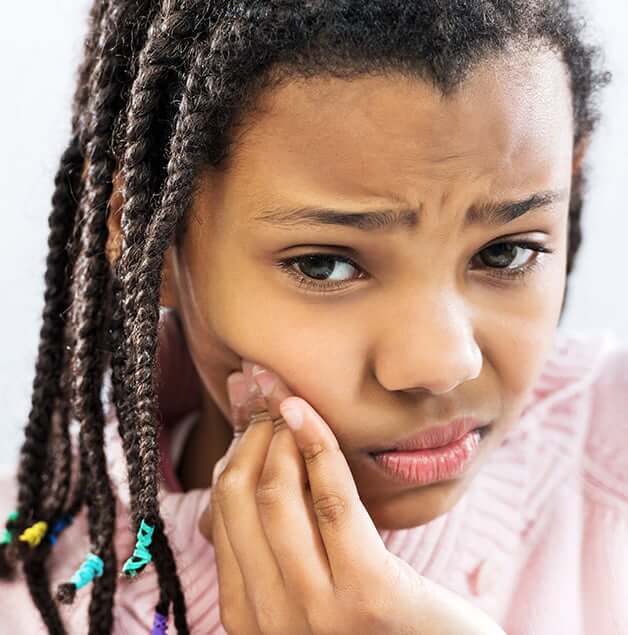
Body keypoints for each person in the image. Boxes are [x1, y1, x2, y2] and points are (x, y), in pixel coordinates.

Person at [0, 1, 626, 633]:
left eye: (506, 252)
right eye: (326, 265)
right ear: (143, 237)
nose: (442, 366)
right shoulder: (28, 592)